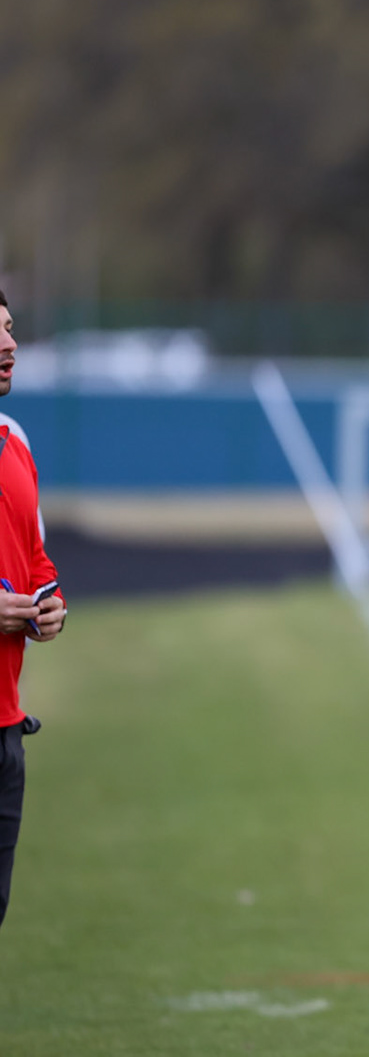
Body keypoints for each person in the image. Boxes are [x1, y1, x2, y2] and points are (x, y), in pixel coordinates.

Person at [0, 288, 68, 930]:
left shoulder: (15, 441)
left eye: (12, 329)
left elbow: (37, 561)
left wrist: (52, 607)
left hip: (7, 727)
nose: (9, 345)